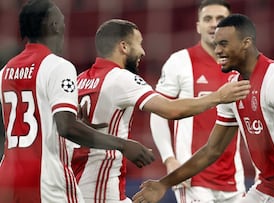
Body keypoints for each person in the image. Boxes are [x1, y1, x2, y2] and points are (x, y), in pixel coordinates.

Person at [133, 14, 274, 203]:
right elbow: (213, 150)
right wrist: (163, 184)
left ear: (246, 43)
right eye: (216, 44)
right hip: (266, 186)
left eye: (223, 44)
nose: (217, 50)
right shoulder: (233, 89)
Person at [70, 19, 251, 203]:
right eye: (138, 43)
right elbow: (171, 110)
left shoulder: (79, 80)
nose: (142, 51)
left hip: (78, 184)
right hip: (100, 190)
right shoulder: (121, 78)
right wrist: (218, 97)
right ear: (124, 47)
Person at [0, 0, 156, 202]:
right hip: (46, 180)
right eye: (61, 20)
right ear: (52, 24)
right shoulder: (58, 66)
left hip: (7, 178)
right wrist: (123, 145)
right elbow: (66, 127)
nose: (64, 27)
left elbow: (25, 124)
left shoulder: (5, 72)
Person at [150, 0, 247, 202]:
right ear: (198, 26)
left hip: (233, 179)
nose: (213, 24)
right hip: (192, 177)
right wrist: (169, 160)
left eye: (220, 19)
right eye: (207, 19)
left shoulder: (242, 67)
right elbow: (157, 113)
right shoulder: (180, 61)